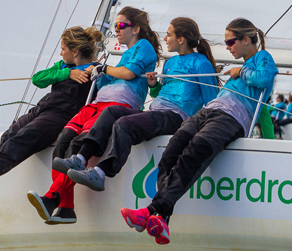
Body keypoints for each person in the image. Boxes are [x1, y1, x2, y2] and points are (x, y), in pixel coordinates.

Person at [120, 18, 277, 245]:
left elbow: (265, 78)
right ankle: (161, 218)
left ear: (246, 39)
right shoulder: (239, 65)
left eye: (231, 41)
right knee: (171, 152)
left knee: (195, 150)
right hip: (210, 110)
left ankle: (151, 211)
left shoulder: (263, 58)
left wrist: (240, 71)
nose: (228, 47)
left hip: (233, 117)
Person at [27, 6, 161, 224]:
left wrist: (105, 69)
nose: (116, 30)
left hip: (119, 105)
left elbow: (128, 74)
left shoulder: (144, 46)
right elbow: (117, 75)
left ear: (136, 28)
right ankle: (65, 207)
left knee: (78, 144)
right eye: (115, 25)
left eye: (120, 25)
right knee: (64, 141)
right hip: (100, 103)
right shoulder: (126, 53)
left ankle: (54, 198)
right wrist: (98, 71)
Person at [0, 26, 102, 205]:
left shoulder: (94, 70)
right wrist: (67, 73)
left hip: (60, 116)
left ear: (74, 52)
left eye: (63, 49)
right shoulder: (63, 66)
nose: (60, 53)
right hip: (43, 108)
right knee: (8, 136)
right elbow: (38, 79)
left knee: (20, 140)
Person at [57, 17, 219, 191]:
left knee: (124, 124)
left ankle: (100, 172)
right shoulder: (170, 63)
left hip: (177, 116)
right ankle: (80, 158)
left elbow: (212, 100)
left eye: (169, 35)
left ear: (181, 39)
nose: (165, 39)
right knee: (112, 112)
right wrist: (154, 86)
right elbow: (160, 93)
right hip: (157, 111)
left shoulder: (201, 63)